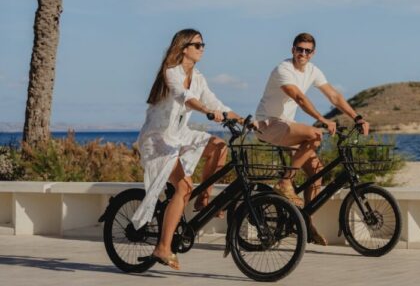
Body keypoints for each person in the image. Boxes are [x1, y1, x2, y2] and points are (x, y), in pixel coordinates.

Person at [130, 28, 242, 270]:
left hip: (179, 136)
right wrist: (206, 112)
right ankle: (162, 247)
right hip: (158, 139)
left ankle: (204, 199)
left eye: (203, 45)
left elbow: (216, 103)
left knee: (219, 146)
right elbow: (184, 97)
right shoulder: (171, 73)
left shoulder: (199, 77)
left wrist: (244, 120)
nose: (202, 49)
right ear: (183, 48)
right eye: (198, 45)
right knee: (183, 187)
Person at [253, 32, 369, 246]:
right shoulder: (283, 69)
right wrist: (321, 119)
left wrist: (357, 117)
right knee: (315, 134)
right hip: (267, 124)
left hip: (286, 127)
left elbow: (334, 95)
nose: (302, 54)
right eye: (299, 49)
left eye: (307, 51)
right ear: (292, 50)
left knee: (317, 173)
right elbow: (298, 97)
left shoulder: (313, 71)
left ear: (313, 53)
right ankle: (285, 181)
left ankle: (306, 222)